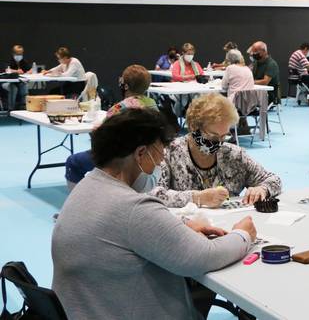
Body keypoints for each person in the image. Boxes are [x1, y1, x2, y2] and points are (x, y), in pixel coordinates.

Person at [52, 109, 257, 320]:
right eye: (158, 157)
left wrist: (180, 227)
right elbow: (205, 256)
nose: (159, 165)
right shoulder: (133, 208)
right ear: (140, 153)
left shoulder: (86, 187)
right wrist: (243, 235)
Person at [151, 93, 282, 208]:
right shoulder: (169, 153)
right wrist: (197, 198)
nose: (218, 142)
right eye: (212, 136)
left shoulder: (233, 155)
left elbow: (273, 180)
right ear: (193, 126)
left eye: (224, 136)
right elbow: (154, 195)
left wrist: (262, 189)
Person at [65, 65, 159, 192]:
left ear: (125, 86)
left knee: (73, 162)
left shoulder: (119, 108)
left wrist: (94, 132)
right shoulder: (153, 105)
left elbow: (101, 138)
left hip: (122, 159)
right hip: (147, 159)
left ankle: (79, 203)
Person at [3, 44, 32, 110]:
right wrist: (16, 71)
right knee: (13, 88)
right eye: (17, 53)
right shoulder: (9, 60)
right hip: (6, 83)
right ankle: (11, 109)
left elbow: (30, 69)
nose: (19, 55)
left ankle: (24, 107)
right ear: (13, 53)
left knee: (24, 86)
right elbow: (7, 70)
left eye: (20, 54)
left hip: (19, 82)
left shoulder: (23, 61)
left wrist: (28, 72)